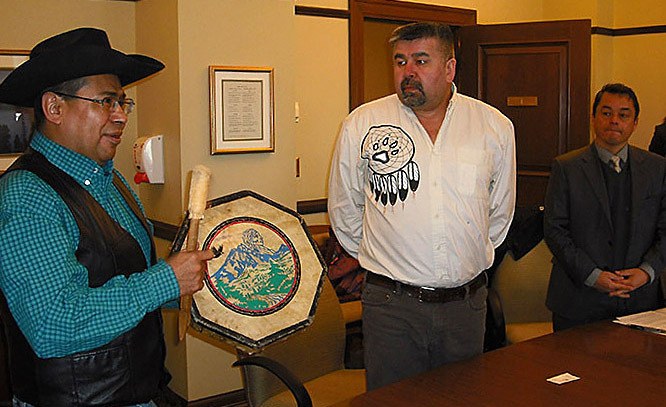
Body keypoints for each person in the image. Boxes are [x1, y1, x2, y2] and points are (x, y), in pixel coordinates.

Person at [0, 28, 213, 406]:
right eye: (106, 102)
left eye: (123, 103)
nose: (120, 117)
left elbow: (122, 277)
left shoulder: (110, 180)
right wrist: (165, 281)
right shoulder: (26, 196)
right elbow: (52, 323)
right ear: (54, 107)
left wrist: (183, 282)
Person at [328, 22, 516, 390]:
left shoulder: (493, 126)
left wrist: (463, 259)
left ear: (449, 68)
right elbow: (344, 209)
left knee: (460, 397)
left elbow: (500, 213)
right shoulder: (362, 125)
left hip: (466, 306)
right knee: (393, 400)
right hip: (392, 307)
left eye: (420, 60)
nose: (408, 72)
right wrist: (382, 259)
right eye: (400, 61)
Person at [544, 83, 666, 332]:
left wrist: (646, 272)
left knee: (635, 371)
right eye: (606, 112)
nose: (614, 121)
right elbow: (555, 230)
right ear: (593, 118)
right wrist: (592, 275)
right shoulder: (567, 168)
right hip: (578, 300)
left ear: (635, 123)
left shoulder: (657, 168)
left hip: (640, 301)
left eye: (623, 115)